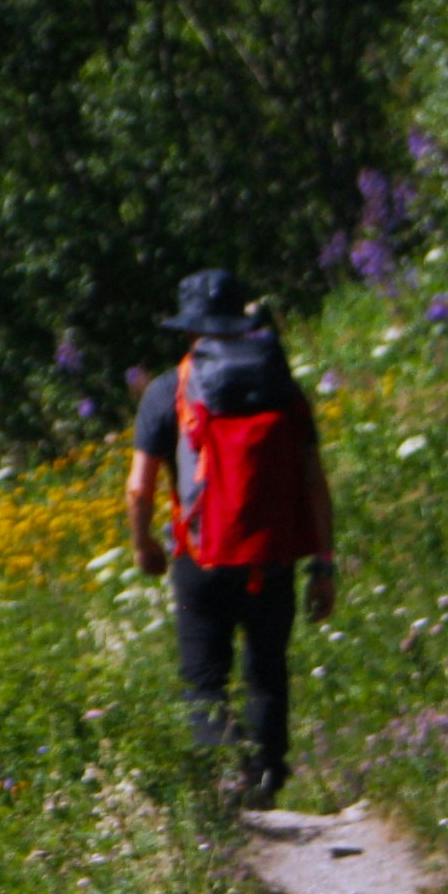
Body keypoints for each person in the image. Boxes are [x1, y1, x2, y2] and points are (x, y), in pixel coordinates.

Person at [125, 267, 335, 803]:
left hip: (201, 559)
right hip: (274, 555)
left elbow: (138, 488)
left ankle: (228, 782)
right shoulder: (281, 383)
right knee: (266, 670)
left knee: (203, 680)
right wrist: (323, 564)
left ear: (190, 327)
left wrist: (144, 544)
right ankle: (266, 777)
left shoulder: (167, 391)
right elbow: (314, 479)